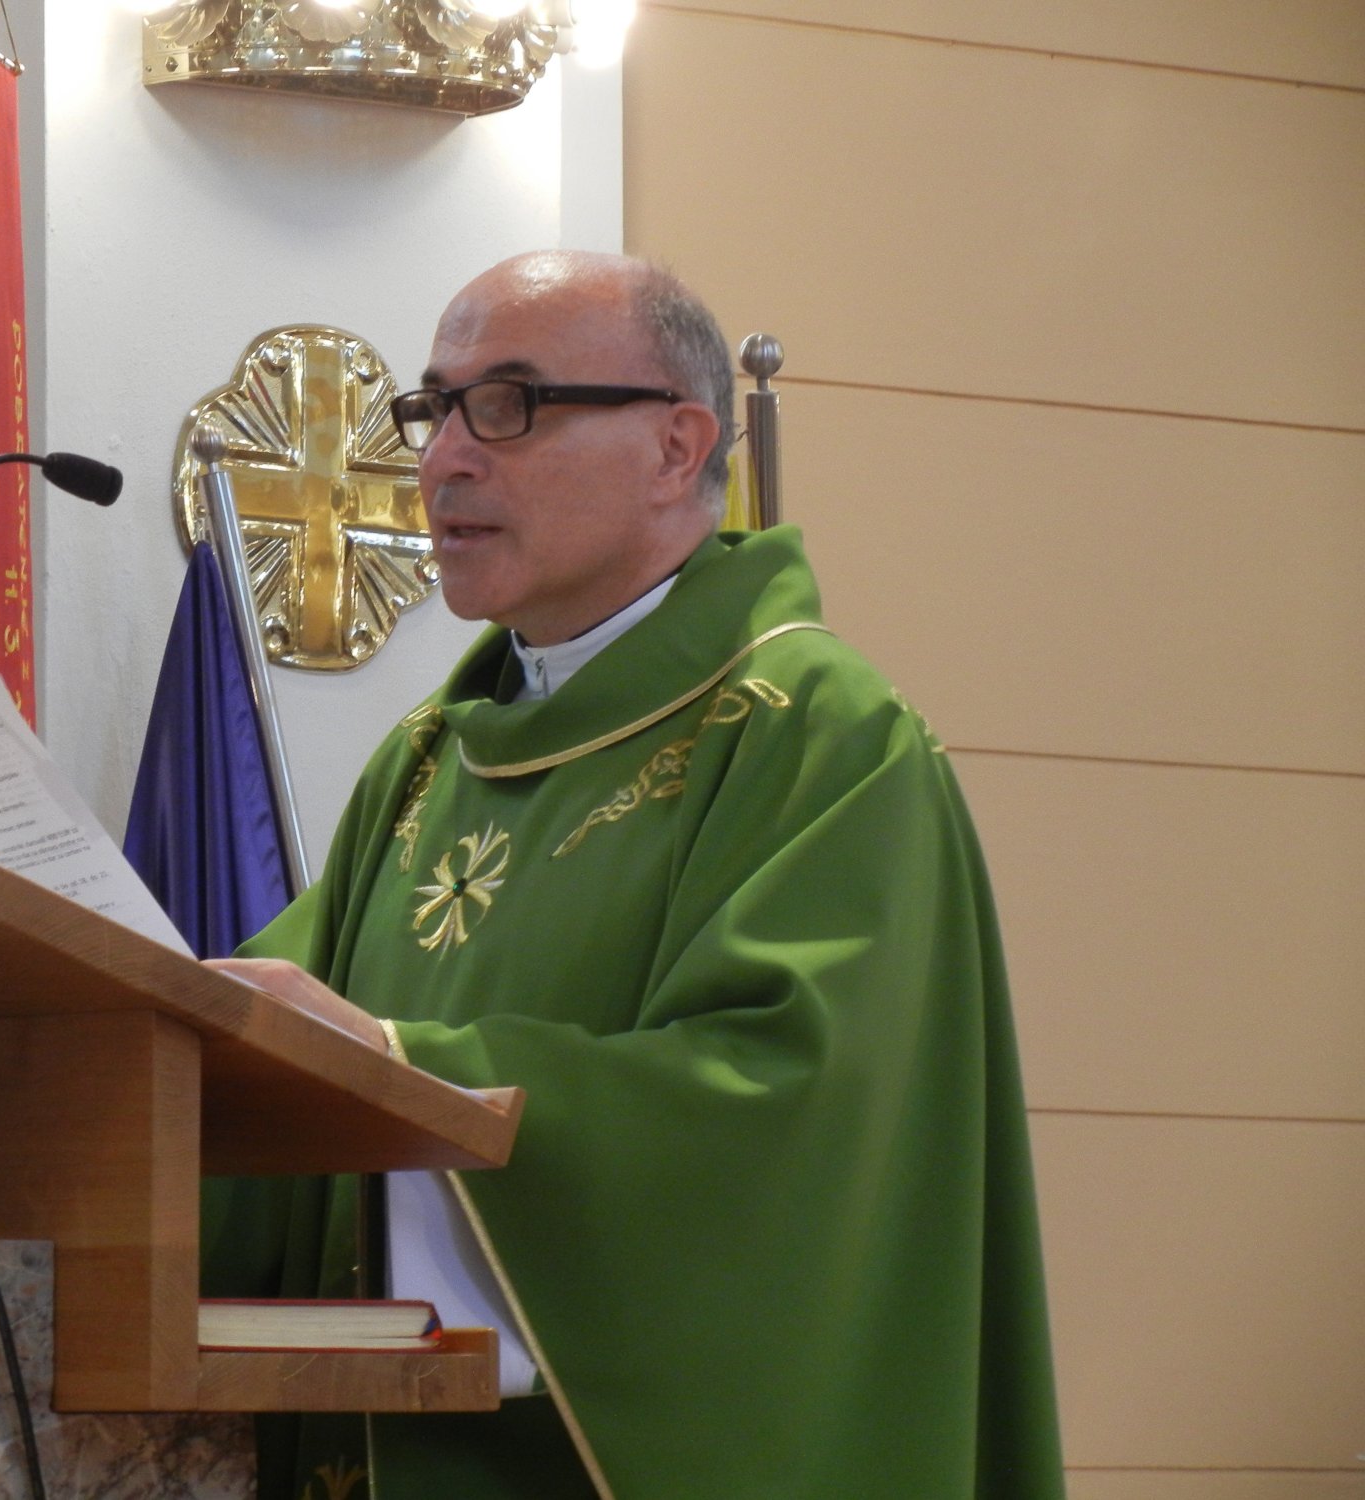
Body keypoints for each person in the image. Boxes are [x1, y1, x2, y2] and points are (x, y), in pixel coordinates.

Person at [203, 251, 1065, 1499]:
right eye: (434, 407)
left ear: (675, 447)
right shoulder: (433, 757)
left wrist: (396, 1068)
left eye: (506, 405)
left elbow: (783, 1126)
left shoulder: (816, 734)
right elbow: (258, 1049)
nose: (442, 460)